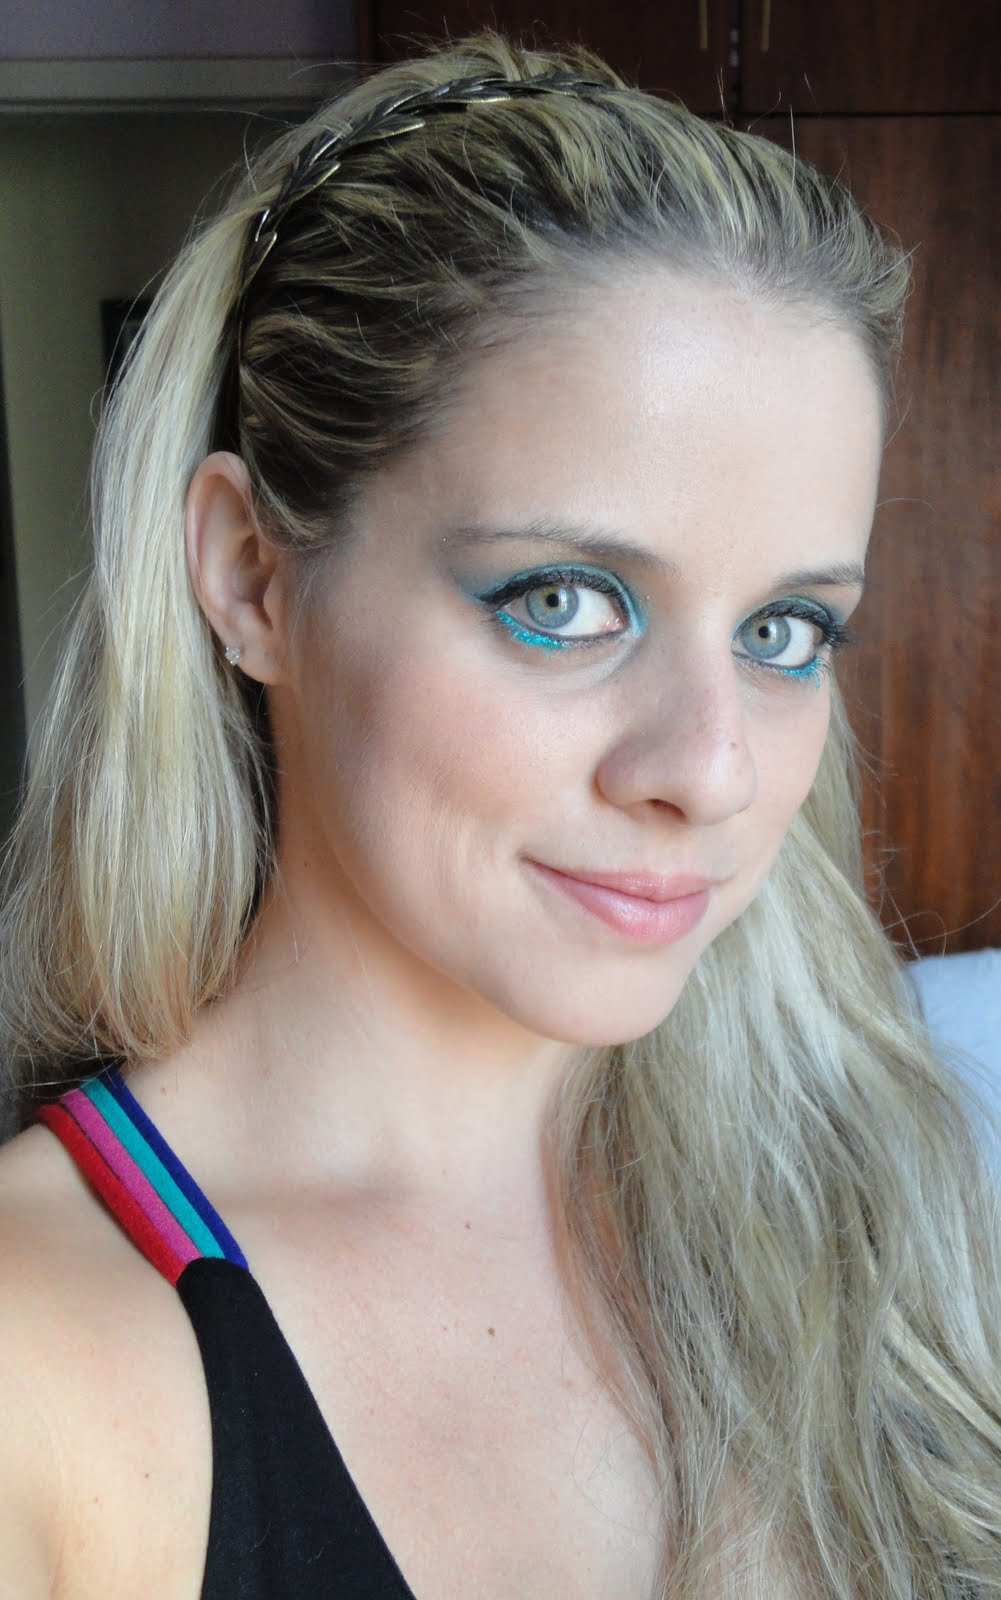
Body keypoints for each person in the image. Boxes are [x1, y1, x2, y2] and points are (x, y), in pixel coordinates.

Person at [0, 29, 998, 1600]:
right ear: (252, 577)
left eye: (784, 629)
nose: (711, 771)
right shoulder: (39, 1369)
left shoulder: (881, 1206)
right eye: (561, 600)